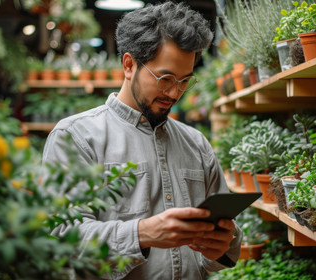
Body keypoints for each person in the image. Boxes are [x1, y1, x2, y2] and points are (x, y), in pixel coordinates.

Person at [42, 2, 242, 279]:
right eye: (165, 78)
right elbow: (61, 238)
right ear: (129, 65)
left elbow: (225, 246)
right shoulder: (75, 138)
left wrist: (223, 243)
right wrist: (141, 234)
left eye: (185, 81)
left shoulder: (196, 144)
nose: (174, 93)